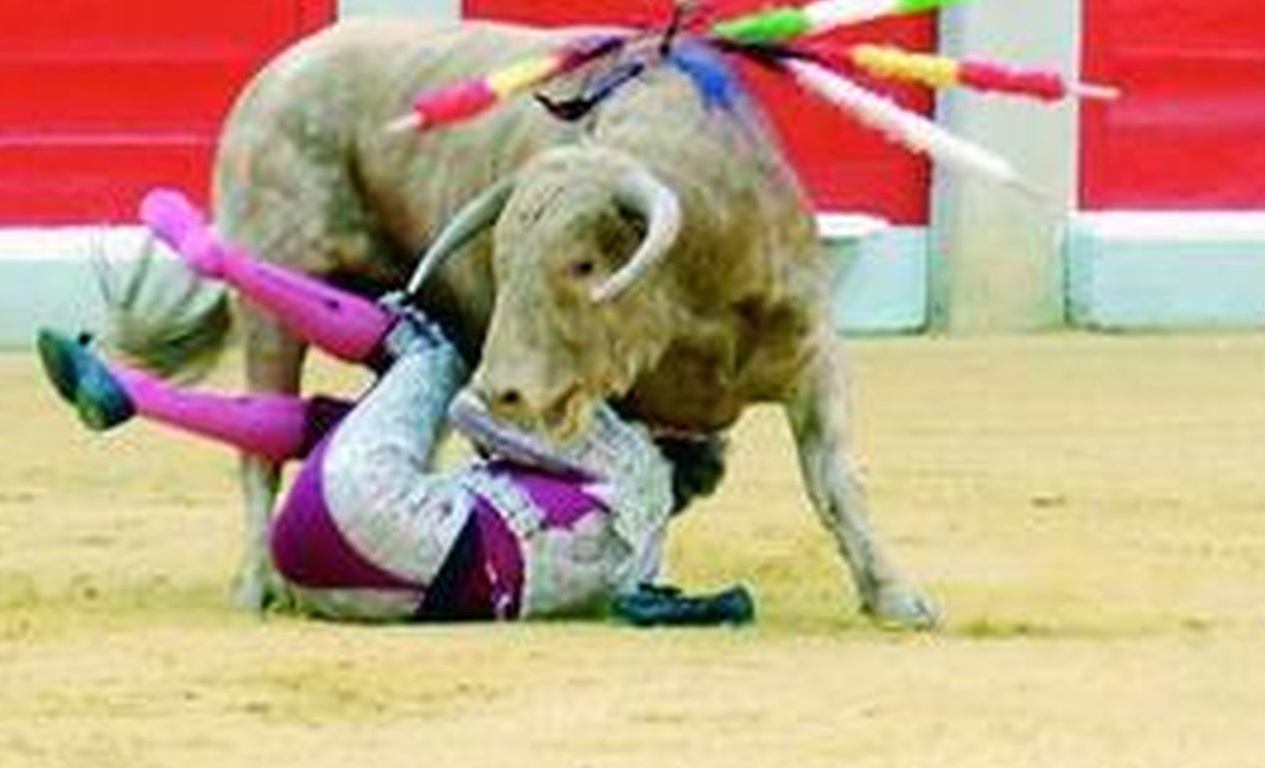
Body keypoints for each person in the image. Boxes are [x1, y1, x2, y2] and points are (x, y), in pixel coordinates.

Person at [37, 192, 749, 625]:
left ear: (662, 431)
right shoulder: (644, 549)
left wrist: (491, 354)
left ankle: (219, 260)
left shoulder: (623, 453)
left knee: (427, 354)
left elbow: (475, 411)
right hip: (343, 590)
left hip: (369, 519)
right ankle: (133, 394)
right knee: (343, 433)